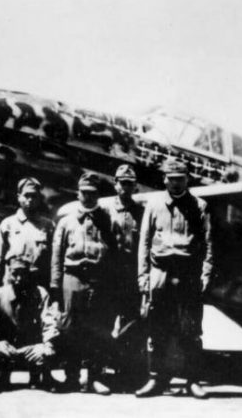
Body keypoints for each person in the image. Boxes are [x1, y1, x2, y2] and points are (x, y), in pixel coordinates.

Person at [135, 159, 214, 399]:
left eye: (180, 178)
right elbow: (144, 243)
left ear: (187, 179)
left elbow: (209, 243)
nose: (176, 182)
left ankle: (192, 381)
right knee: (157, 328)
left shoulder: (199, 206)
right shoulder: (154, 204)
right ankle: (156, 379)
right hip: (160, 274)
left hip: (188, 274)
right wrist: (143, 277)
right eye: (171, 178)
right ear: (164, 179)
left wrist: (206, 272)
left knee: (190, 329)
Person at [51, 172, 117, 395]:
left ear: (98, 195)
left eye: (92, 194)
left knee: (98, 329)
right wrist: (55, 286)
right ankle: (71, 376)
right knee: (71, 328)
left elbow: (114, 252)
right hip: (73, 279)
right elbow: (57, 257)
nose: (88, 197)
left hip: (99, 280)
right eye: (84, 193)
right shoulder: (66, 222)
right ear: (77, 193)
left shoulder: (108, 220)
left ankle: (96, 377)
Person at [0, 255, 60, 391]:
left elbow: (49, 322)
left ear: (29, 274)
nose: (19, 279)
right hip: (7, 346)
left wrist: (47, 344)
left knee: (43, 352)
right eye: (15, 274)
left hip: (31, 346)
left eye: (23, 274)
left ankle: (41, 377)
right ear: (9, 273)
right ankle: (2, 377)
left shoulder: (40, 294)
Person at [103, 164, 144, 387]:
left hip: (131, 277)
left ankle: (128, 374)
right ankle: (103, 373)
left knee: (131, 326)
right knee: (106, 323)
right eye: (122, 182)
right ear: (115, 183)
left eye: (130, 183)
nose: (125, 187)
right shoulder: (105, 210)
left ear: (134, 186)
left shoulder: (141, 212)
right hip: (110, 276)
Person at [0, 177, 55, 289]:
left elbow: (55, 262)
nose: (30, 199)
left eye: (34, 196)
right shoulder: (8, 224)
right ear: (18, 197)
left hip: (38, 287)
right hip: (13, 284)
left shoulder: (48, 226)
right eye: (26, 195)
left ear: (39, 198)